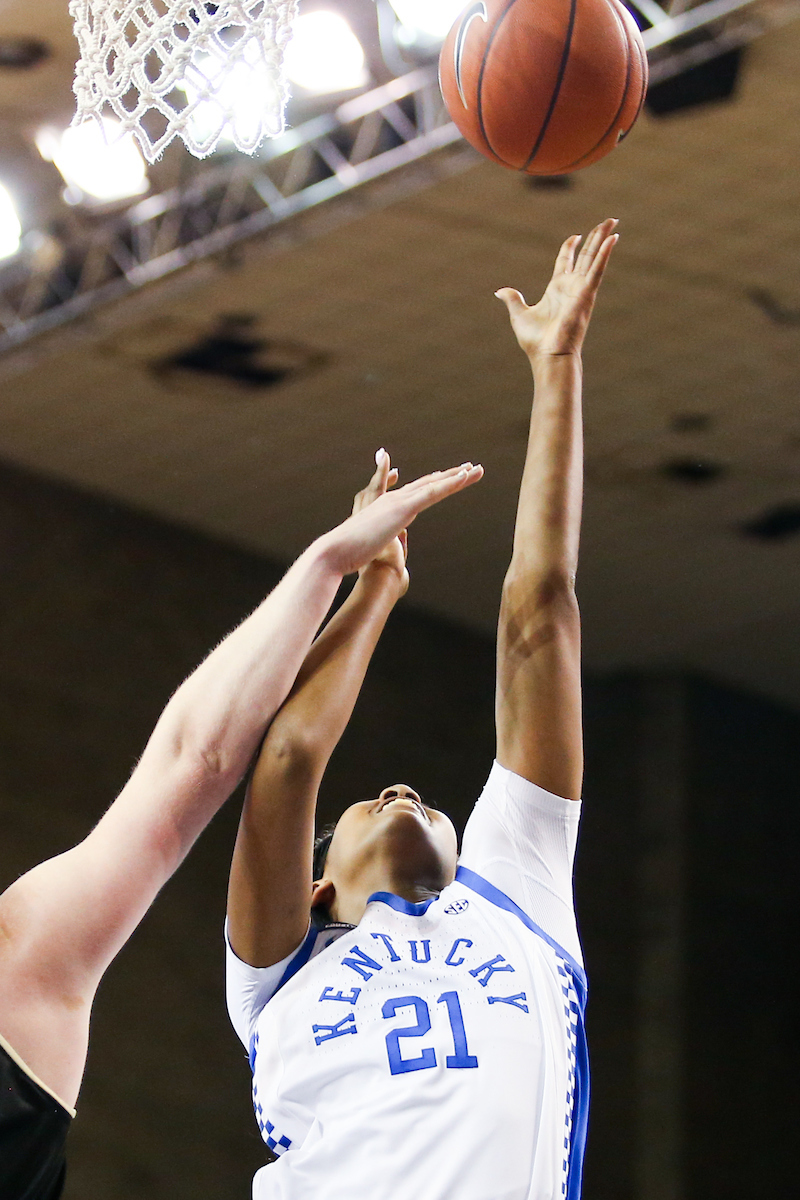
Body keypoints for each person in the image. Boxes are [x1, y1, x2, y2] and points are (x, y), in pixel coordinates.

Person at [224, 219, 618, 1200]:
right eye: (376, 804)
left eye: (400, 799)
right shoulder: (283, 972)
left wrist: (557, 368)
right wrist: (371, 593)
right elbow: (286, 759)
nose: (401, 791)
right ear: (316, 894)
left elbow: (540, 615)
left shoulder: (514, 897)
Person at [0, 459, 483, 1200]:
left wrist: (331, 565)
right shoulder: (282, 970)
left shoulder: (18, 969)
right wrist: (359, 578)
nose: (400, 795)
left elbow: (194, 764)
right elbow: (266, 760)